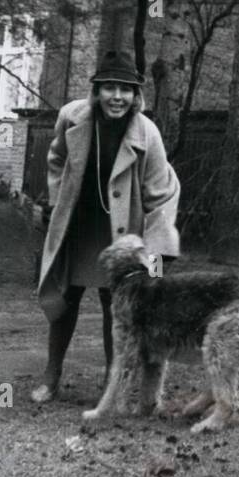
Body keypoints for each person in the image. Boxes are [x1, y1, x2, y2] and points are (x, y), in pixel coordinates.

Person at [31, 48, 181, 404]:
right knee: (64, 297)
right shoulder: (72, 118)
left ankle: (110, 386)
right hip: (78, 224)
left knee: (115, 303)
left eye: (125, 89)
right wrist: (56, 202)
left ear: (136, 96)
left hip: (122, 231)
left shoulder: (148, 134)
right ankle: (51, 377)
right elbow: (56, 159)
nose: (117, 97)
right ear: (96, 91)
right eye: (109, 88)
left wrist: (158, 250)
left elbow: (161, 195)